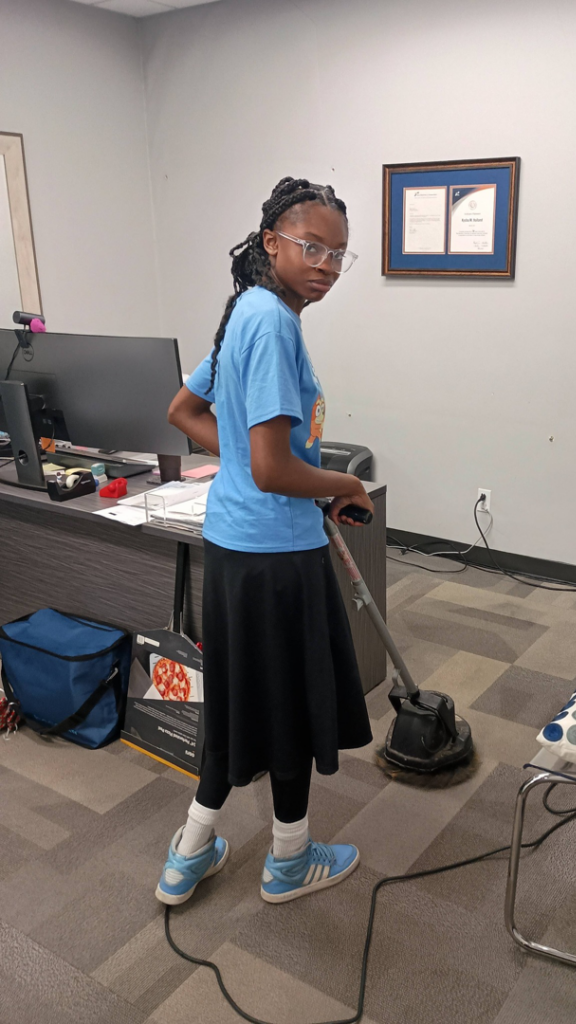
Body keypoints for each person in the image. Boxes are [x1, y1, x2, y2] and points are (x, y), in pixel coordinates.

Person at [155, 177, 374, 907]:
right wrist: (343, 487)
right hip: (277, 557)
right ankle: (287, 861)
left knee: (240, 698)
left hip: (232, 550)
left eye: (339, 254)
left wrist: (251, 467)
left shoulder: (244, 313)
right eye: (311, 246)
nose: (326, 266)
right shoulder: (273, 323)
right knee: (287, 706)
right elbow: (279, 468)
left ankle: (188, 851)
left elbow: (183, 410)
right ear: (271, 242)